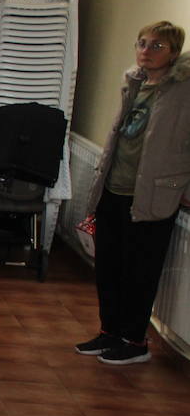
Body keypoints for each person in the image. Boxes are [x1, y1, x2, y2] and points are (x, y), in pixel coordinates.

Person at [77, 21, 190, 365]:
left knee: (140, 270)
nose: (145, 51)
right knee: (108, 265)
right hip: (115, 187)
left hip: (152, 195)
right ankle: (110, 331)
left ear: (173, 52)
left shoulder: (182, 90)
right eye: (141, 43)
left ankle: (134, 340)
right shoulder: (135, 83)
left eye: (156, 46)